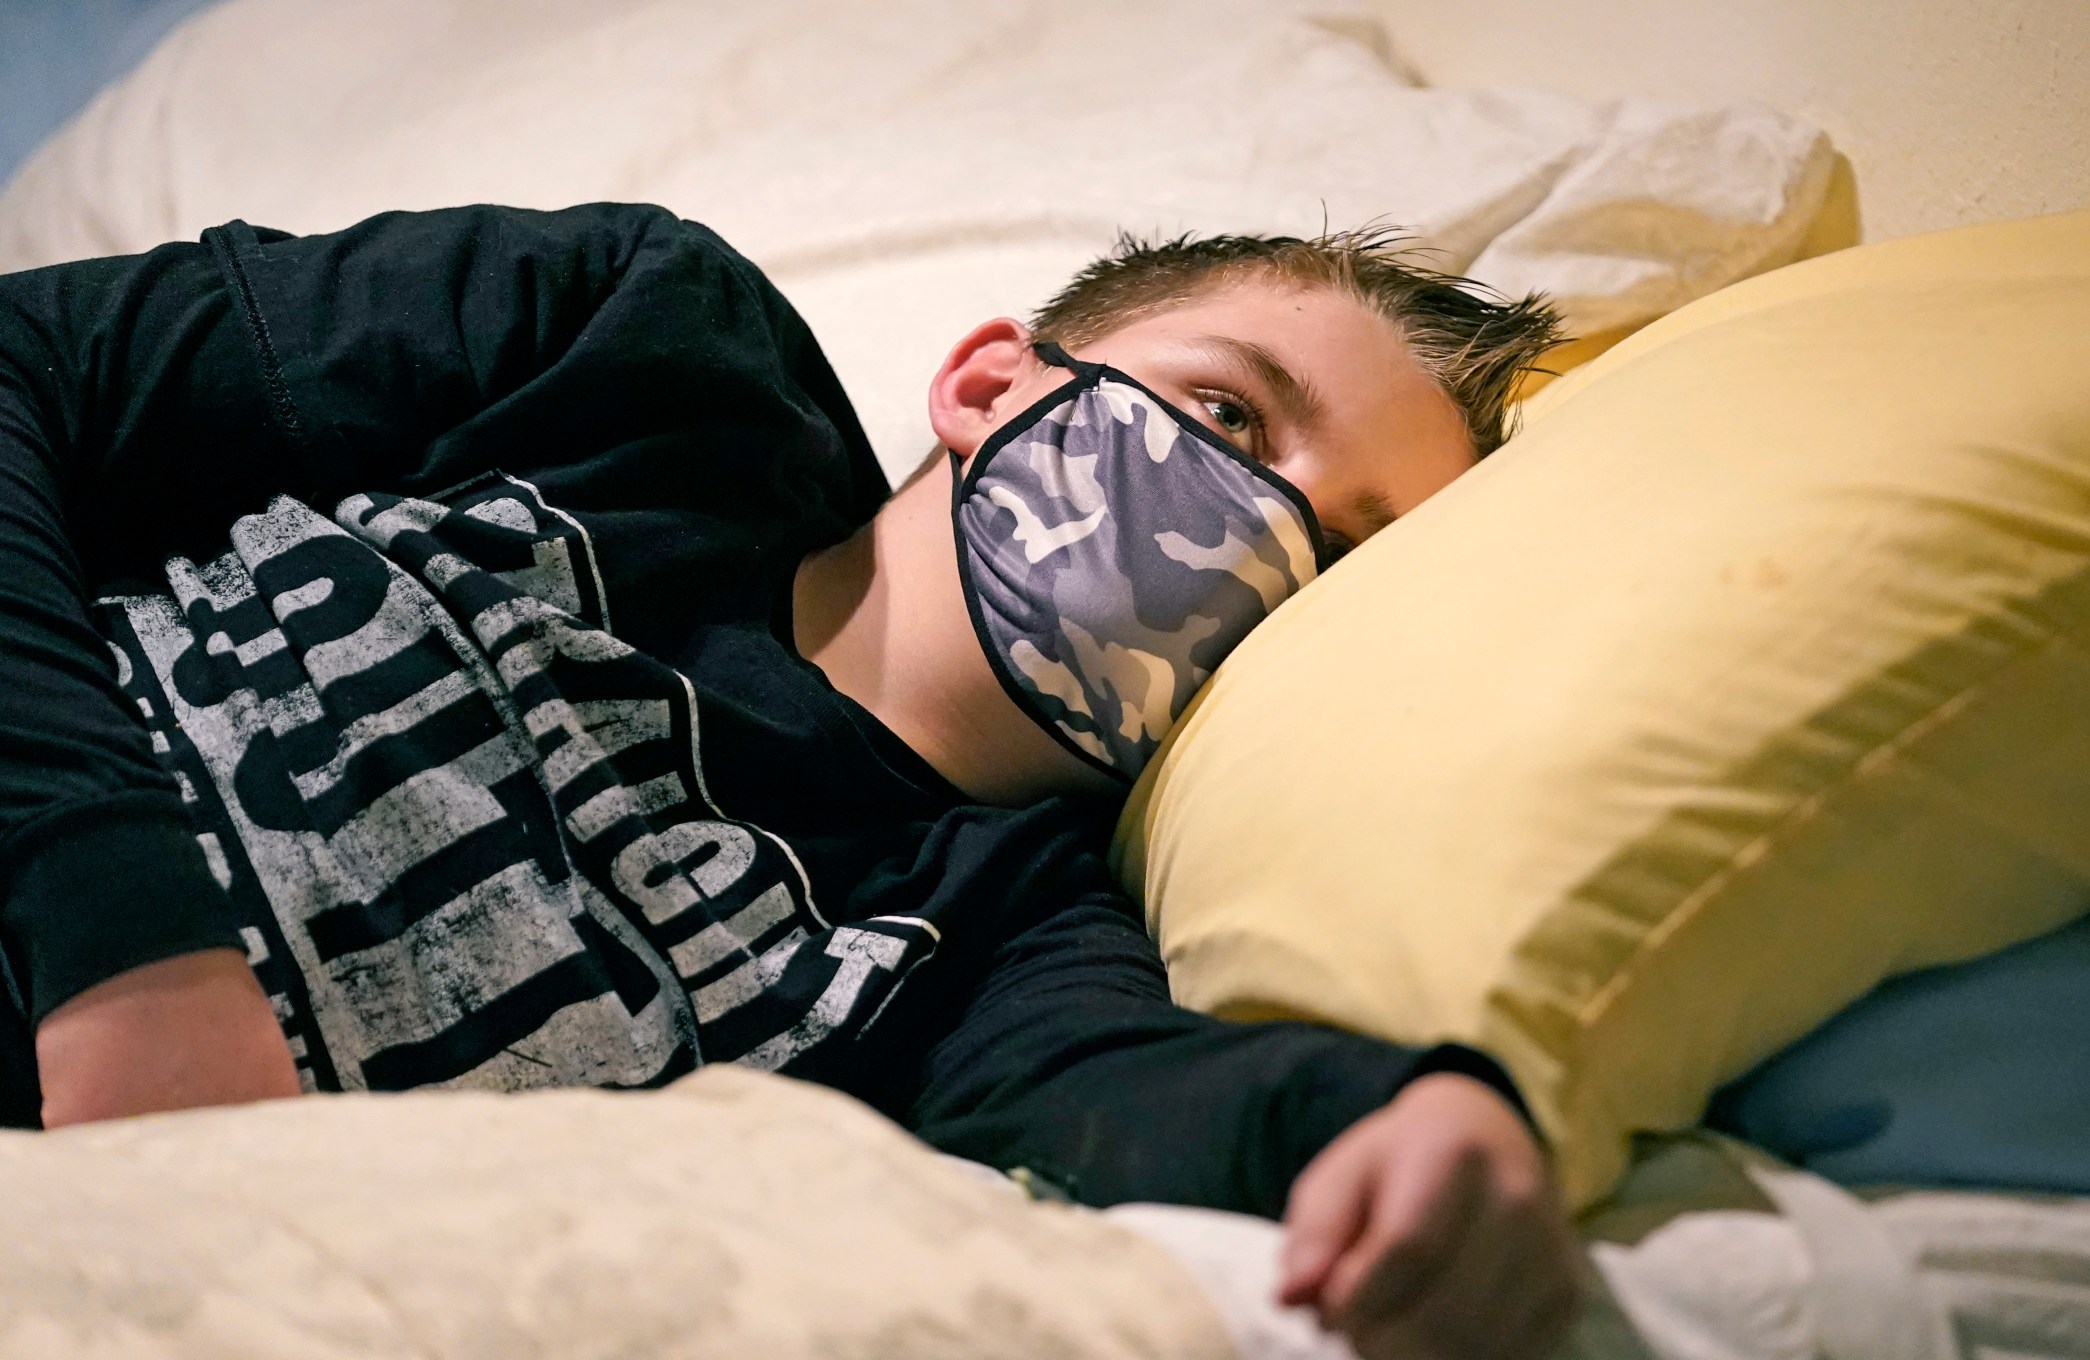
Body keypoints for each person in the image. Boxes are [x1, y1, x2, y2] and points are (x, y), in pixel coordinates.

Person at [0, 203, 1577, 1358]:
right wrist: (122, 933)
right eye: (1230, 412)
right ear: (988, 388)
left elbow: (1157, 1101)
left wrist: (1416, 1108)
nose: (1256, 521)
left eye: (1345, 542)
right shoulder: (635, 349)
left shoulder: (994, 948)